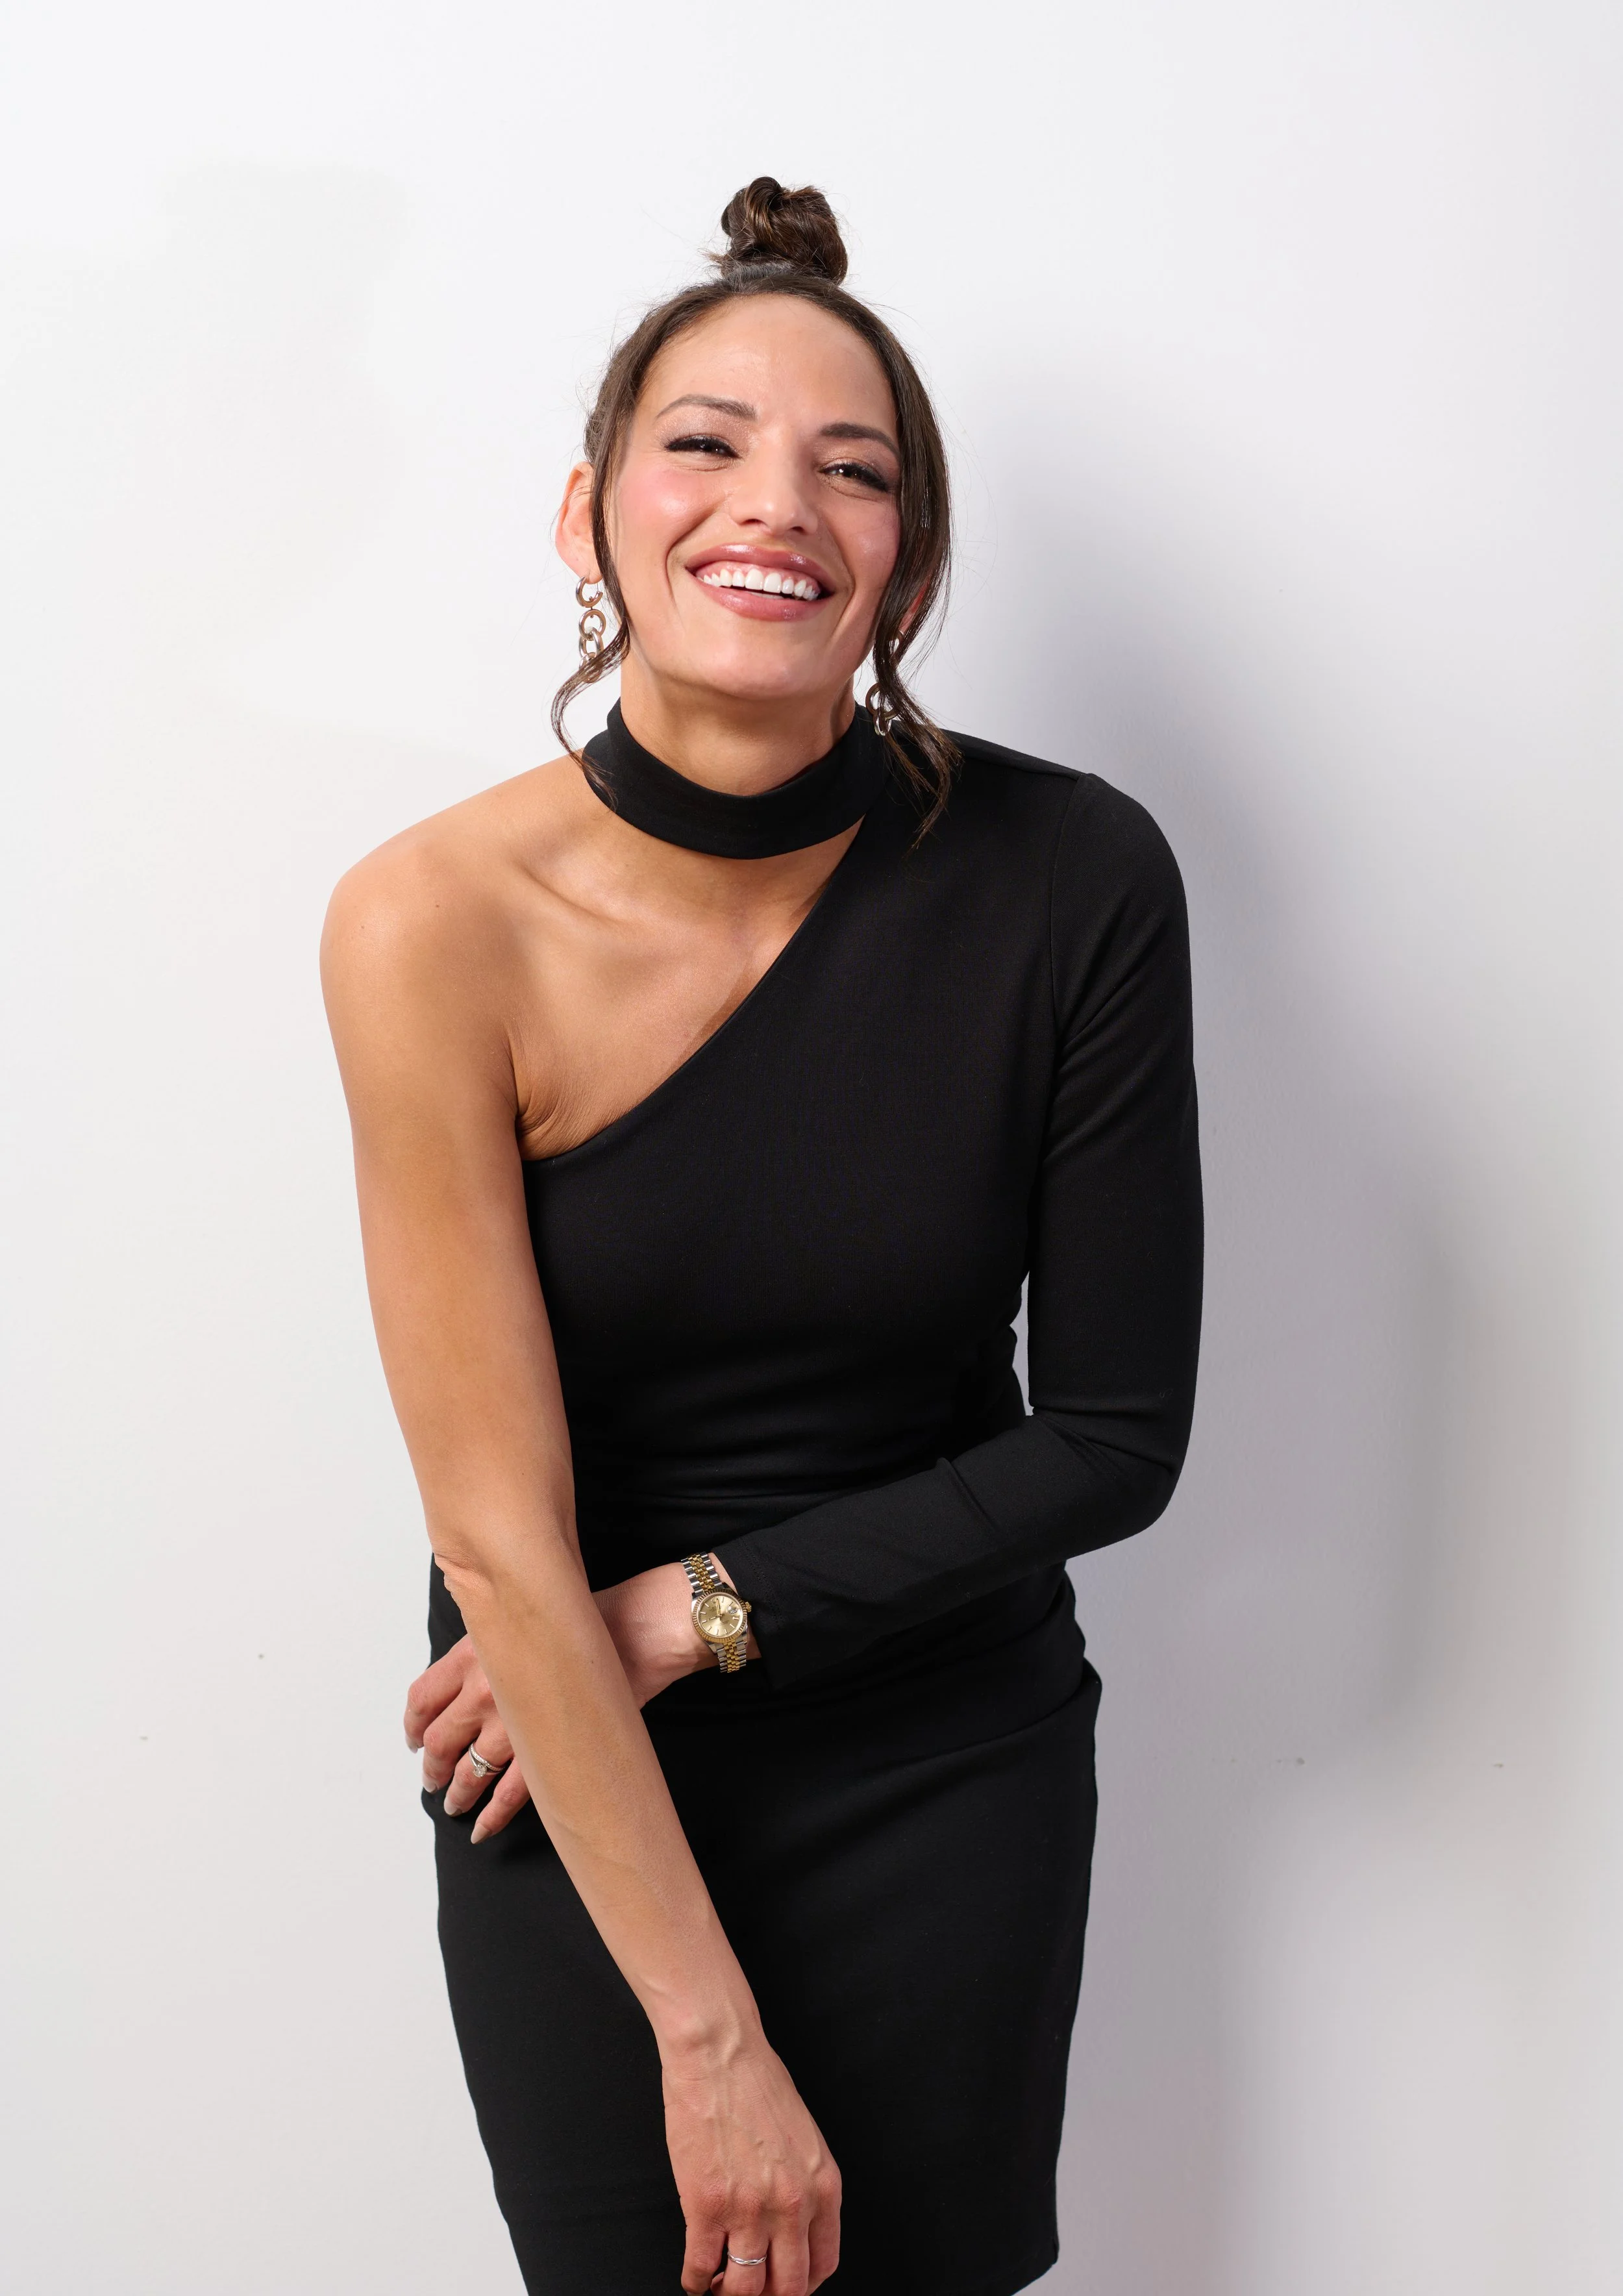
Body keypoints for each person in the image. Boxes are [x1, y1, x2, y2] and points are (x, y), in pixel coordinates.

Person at [322, 176, 1202, 2296]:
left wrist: (682, 1614)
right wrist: (704, 2040)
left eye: (855, 468)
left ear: (904, 562)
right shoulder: (430, 925)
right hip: (565, 1778)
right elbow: (506, 1540)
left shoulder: (1067, 876)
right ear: (587, 517)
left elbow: (1107, 1438)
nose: (776, 503)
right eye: (703, 443)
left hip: (940, 1749)